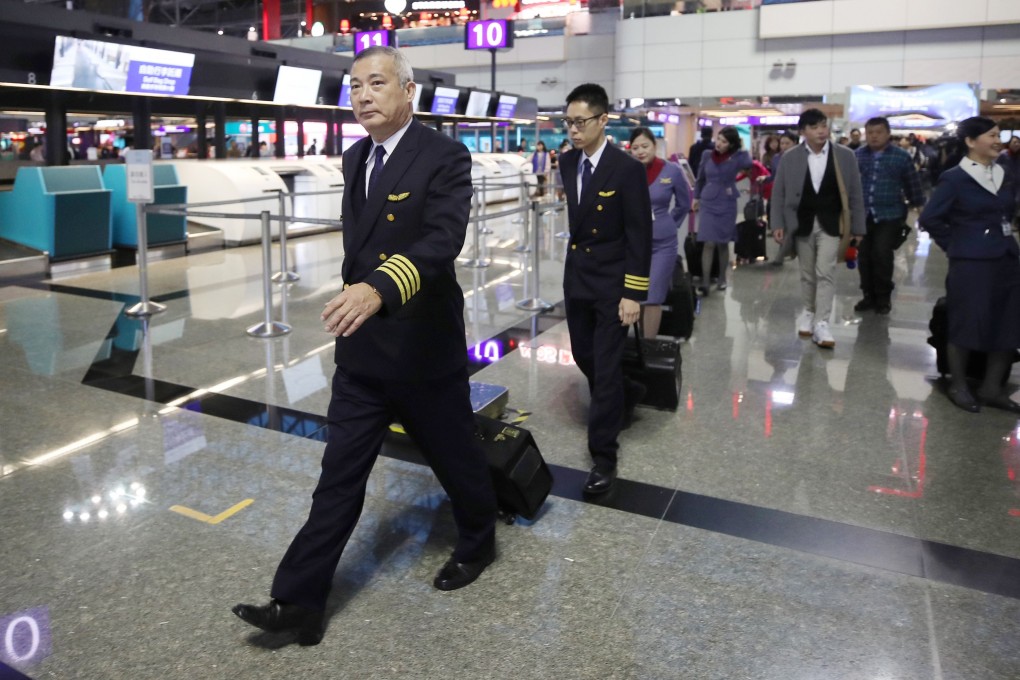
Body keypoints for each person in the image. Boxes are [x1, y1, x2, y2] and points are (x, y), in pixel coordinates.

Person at [232, 45, 498, 646]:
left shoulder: (445, 157)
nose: (363, 95)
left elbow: (440, 243)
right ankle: (298, 604)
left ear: (409, 92)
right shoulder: (356, 157)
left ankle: (479, 540)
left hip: (422, 349)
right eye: (354, 87)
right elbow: (362, 249)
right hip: (363, 352)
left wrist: (378, 289)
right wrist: (358, 297)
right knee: (338, 478)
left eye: (376, 83)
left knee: (455, 456)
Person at [558, 82, 652, 495]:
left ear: (602, 120)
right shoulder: (566, 163)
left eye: (580, 123)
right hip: (578, 278)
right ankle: (628, 393)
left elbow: (640, 234)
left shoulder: (626, 169)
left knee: (607, 369)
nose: (574, 131)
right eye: (568, 123)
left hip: (614, 284)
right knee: (583, 355)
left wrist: (633, 293)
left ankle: (604, 458)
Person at [918, 116, 1020, 414]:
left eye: (998, 134)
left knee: (1007, 322)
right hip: (971, 263)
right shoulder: (955, 178)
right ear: (971, 141)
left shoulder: (1004, 173)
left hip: (1007, 258)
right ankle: (959, 384)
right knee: (967, 320)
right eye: (991, 135)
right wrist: (958, 245)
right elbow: (930, 218)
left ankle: (992, 387)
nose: (997, 140)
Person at [770, 108, 865, 349]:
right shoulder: (790, 157)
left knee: (826, 271)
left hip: (832, 222)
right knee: (807, 273)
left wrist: (857, 227)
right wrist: (778, 224)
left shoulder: (844, 156)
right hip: (801, 222)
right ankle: (809, 312)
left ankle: (822, 322)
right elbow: (778, 192)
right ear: (803, 132)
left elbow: (855, 192)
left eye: (823, 126)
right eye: (814, 127)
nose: (821, 131)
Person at [853, 116, 925, 315]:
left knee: (882, 254)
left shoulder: (901, 156)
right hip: (863, 215)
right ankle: (868, 295)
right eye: (870, 133)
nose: (874, 136)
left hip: (890, 214)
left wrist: (920, 207)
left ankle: (883, 297)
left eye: (878, 132)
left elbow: (913, 185)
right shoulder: (857, 155)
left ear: (887, 134)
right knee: (865, 257)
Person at [629, 127, 691, 336]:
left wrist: (670, 224)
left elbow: (684, 203)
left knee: (653, 296)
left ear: (655, 146)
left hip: (662, 244)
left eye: (645, 146)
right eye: (635, 148)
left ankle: (648, 347)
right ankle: (633, 342)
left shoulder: (671, 170)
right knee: (634, 294)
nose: (640, 151)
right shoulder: (627, 171)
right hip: (634, 243)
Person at [691, 126, 752, 295]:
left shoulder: (737, 158)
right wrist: (696, 198)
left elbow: (749, 164)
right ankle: (704, 282)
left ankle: (722, 279)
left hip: (727, 201)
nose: (719, 143)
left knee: (722, 243)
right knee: (708, 242)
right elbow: (700, 179)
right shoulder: (706, 155)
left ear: (731, 144)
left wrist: (741, 148)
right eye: (718, 139)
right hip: (708, 201)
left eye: (724, 141)